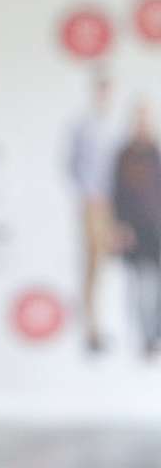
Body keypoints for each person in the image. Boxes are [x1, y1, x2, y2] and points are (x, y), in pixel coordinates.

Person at [68, 72, 116, 353]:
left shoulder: (113, 126)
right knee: (93, 264)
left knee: (106, 266)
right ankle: (91, 327)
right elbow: (74, 164)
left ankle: (103, 324)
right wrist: (90, 195)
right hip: (93, 204)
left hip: (112, 205)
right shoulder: (83, 126)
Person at [112, 100, 161, 358]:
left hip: (156, 228)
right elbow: (117, 194)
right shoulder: (124, 155)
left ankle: (153, 333)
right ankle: (145, 337)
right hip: (135, 229)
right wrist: (121, 226)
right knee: (143, 284)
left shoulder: (155, 152)